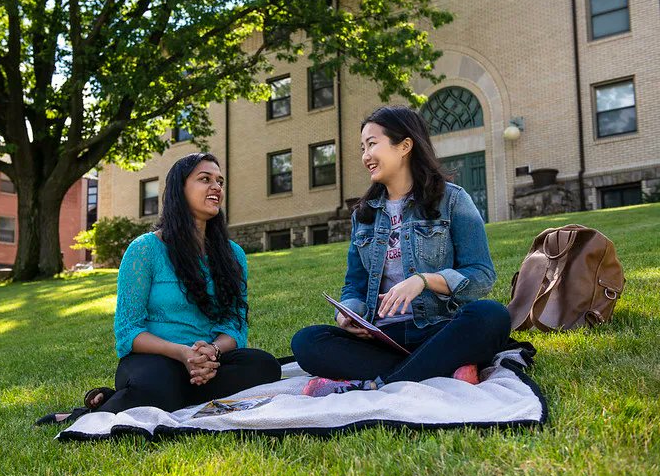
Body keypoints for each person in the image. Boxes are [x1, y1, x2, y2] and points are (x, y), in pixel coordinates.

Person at [37, 153, 280, 425]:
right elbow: (129, 330)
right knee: (158, 383)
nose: (216, 187)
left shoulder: (233, 255)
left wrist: (211, 352)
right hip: (156, 359)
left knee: (265, 366)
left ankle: (135, 398)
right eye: (205, 179)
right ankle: (96, 410)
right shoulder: (144, 250)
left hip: (209, 362)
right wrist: (182, 353)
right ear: (179, 189)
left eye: (220, 182)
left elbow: (235, 324)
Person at [290, 106, 511, 396]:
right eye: (362, 148)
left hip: (439, 329)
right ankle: (439, 369)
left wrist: (424, 280)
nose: (365, 156)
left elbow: (482, 276)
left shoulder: (453, 200)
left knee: (491, 316)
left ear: (405, 145)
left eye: (372, 144)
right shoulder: (364, 214)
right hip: (383, 338)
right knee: (306, 342)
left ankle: (380, 383)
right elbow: (354, 285)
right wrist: (348, 315)